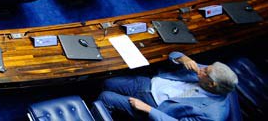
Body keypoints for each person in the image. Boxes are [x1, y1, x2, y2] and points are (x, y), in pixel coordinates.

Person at [97, 51, 238, 121]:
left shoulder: (213, 114)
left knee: (106, 97)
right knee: (108, 83)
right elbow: (173, 54)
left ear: (212, 84)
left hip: (153, 106)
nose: (201, 68)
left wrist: (148, 109)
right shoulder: (209, 73)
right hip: (149, 84)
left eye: (205, 71)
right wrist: (184, 59)